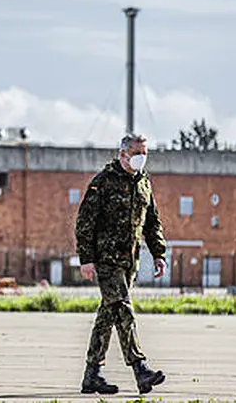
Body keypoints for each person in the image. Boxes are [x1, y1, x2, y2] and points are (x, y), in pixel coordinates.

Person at [75, 134, 167, 395]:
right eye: (137, 152)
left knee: (108, 315)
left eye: (145, 152)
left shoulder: (143, 182)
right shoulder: (103, 182)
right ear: (123, 154)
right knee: (123, 310)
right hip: (106, 261)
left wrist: (159, 253)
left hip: (130, 262)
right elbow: (84, 223)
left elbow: (152, 221)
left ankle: (91, 375)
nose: (142, 157)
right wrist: (86, 259)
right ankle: (140, 368)